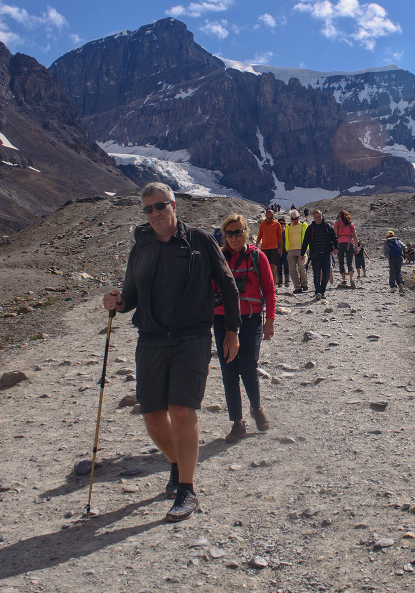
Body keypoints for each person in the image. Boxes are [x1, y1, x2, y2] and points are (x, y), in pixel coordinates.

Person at [103, 183, 241, 523]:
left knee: (181, 411)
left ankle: (186, 488)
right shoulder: (141, 249)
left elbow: (227, 284)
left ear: (174, 205)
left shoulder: (198, 240)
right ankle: (177, 463)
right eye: (147, 209)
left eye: (159, 206)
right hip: (150, 338)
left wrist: (233, 331)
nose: (154, 214)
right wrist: (118, 303)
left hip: (191, 336)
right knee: (152, 415)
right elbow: (131, 295)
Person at [214, 214, 277, 444]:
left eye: (238, 232)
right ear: (224, 235)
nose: (233, 237)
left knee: (249, 365)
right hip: (222, 320)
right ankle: (237, 422)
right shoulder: (218, 258)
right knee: (229, 370)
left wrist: (269, 320)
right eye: (229, 233)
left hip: (251, 319)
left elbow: (269, 290)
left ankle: (256, 407)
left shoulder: (257, 256)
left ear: (246, 232)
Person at [300, 209, 339, 300]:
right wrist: (302, 253)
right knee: (316, 274)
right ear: (313, 218)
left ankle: (322, 291)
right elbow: (305, 241)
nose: (318, 218)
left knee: (326, 274)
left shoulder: (327, 226)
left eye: (319, 216)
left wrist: (336, 248)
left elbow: (334, 237)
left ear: (322, 216)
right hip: (315, 254)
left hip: (326, 253)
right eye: (316, 217)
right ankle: (318, 291)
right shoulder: (310, 228)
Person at [255, 209, 283, 286]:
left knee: (273, 266)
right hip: (264, 249)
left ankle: (273, 286)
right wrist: (256, 246)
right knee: (265, 268)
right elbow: (259, 236)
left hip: (274, 248)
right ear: (266, 216)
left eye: (271, 218)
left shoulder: (277, 224)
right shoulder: (262, 224)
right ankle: (266, 285)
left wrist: (281, 249)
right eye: (268, 218)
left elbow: (280, 238)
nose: (270, 220)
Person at [283, 210, 308, 293]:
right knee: (292, 269)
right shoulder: (288, 227)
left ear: (299, 217)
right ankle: (297, 287)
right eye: (292, 219)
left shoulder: (303, 225)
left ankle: (304, 284)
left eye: (295, 219)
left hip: (301, 249)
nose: (294, 220)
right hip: (290, 250)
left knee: (301, 266)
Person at [334, 209, 359, 289]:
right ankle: (351, 278)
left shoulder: (337, 223)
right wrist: (356, 248)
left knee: (341, 262)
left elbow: (335, 236)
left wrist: (334, 247)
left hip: (340, 243)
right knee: (349, 262)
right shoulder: (351, 224)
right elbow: (355, 236)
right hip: (349, 243)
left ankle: (344, 280)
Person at [277, 217, 290, 287]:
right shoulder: (276, 232)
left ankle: (287, 279)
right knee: (279, 266)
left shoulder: (286, 232)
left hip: (285, 250)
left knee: (286, 265)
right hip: (278, 250)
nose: (282, 225)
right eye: (280, 223)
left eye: (283, 223)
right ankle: (280, 280)